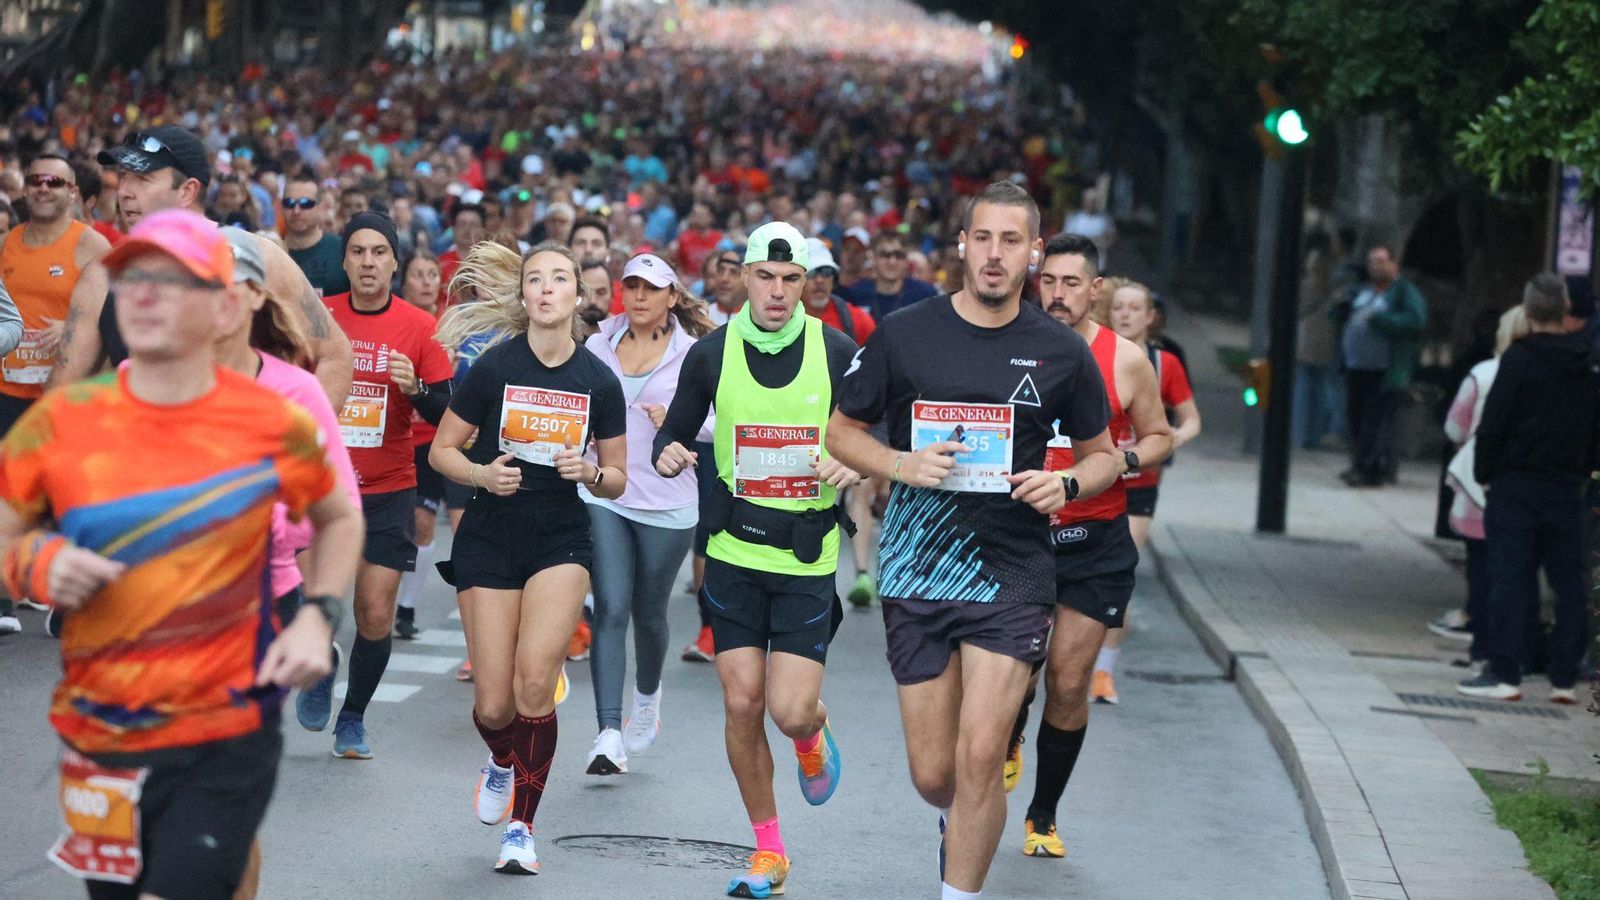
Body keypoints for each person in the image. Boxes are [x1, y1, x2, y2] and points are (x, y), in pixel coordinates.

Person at [0, 207, 361, 900]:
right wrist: (38, 566)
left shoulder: (273, 417)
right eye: (132, 278)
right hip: (102, 728)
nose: (141, 296)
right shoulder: (66, 419)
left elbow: (339, 516)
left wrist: (317, 616)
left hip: (224, 724)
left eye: (170, 281)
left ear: (226, 304)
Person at [827, 183, 1119, 899]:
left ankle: (961, 888)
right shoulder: (905, 333)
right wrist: (901, 465)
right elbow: (839, 432)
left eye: (1011, 241)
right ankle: (958, 820)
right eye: (982, 238)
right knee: (937, 776)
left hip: (1013, 572)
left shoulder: (1061, 352)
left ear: (1034, 252)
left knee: (983, 754)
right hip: (918, 570)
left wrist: (1069, 485)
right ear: (962, 245)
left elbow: (1104, 453)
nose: (994, 255)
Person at [654, 222, 862, 898]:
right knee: (742, 702)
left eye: (790, 279)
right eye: (765, 278)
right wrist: (669, 452)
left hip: (806, 559)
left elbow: (878, 428)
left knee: (790, 710)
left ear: (807, 284)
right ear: (743, 278)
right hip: (733, 553)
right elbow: (674, 430)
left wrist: (850, 456)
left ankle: (812, 735)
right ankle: (768, 850)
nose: (777, 291)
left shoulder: (835, 352)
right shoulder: (711, 355)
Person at [430, 241, 628, 874]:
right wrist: (483, 476)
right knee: (493, 706)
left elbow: (619, 477)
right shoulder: (494, 367)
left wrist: (591, 471)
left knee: (534, 682)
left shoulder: (598, 380)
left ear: (578, 296)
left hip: (560, 538)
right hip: (490, 535)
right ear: (523, 296)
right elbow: (441, 453)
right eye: (535, 279)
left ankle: (521, 825)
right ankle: (498, 757)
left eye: (560, 279)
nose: (546, 289)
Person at [1010, 233, 1173, 858]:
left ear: (1094, 290)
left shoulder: (1127, 359)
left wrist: (1123, 457)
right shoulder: (1011, 347)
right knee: (1017, 677)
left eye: (1071, 283)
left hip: (1094, 541)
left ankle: (1043, 815)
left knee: (1070, 681)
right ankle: (1009, 735)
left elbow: (1159, 436)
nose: (1057, 294)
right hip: (1019, 537)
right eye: (1048, 281)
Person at [51, 127, 354, 407]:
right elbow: (60, 398)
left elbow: (335, 356)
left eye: (142, 179)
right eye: (124, 177)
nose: (125, 191)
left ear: (187, 191)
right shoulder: (102, 274)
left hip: (239, 454)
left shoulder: (253, 257)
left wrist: (291, 452)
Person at [307, 212, 453, 758]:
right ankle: (320, 666)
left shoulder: (420, 327)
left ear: (394, 263)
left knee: (373, 612)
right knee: (314, 602)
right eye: (359, 252)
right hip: (321, 487)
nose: (368, 263)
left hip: (389, 488)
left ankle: (353, 717)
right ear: (344, 260)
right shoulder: (318, 318)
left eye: (379, 253)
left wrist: (414, 389)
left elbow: (448, 410)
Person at [581, 253, 717, 775]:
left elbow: (719, 421)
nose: (638, 296)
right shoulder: (598, 343)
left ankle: (647, 699)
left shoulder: (695, 353)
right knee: (611, 605)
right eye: (631, 286)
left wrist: (679, 425)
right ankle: (608, 733)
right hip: (604, 491)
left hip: (668, 501)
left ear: (672, 297)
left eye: (650, 288)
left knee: (649, 612)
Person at [1459, 274, 1599, 704]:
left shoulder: (1519, 359)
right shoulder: (1588, 362)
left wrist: (1484, 473)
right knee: (1569, 582)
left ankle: (1505, 671)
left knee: (1511, 576)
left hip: (1516, 483)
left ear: (1529, 310)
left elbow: (1495, 423)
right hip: (1566, 486)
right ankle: (1563, 676)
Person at [1097, 280, 1201, 703]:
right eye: (1118, 307)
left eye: (1134, 308)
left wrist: (1168, 440)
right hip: (1092, 480)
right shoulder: (1093, 352)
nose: (1125, 314)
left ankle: (1103, 671)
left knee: (1118, 575)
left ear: (1149, 317)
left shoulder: (1165, 364)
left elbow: (1192, 419)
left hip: (1139, 485)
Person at [1436, 306, 1529, 662]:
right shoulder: (1552, 376)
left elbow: (1454, 428)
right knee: (1515, 569)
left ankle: (1483, 644)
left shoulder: (1484, 374)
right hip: (1525, 489)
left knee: (1480, 566)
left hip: (1480, 487)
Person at [800, 238, 881, 611]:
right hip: (799, 430)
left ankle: (863, 573)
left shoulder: (854, 319)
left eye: (827, 274)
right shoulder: (782, 315)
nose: (820, 282)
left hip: (847, 425)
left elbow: (881, 367)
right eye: (813, 273)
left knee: (858, 493)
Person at [0, 154, 105, 434]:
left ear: (72, 193)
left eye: (54, 182)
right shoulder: (4, 244)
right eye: (36, 181)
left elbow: (112, 321)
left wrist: (75, 327)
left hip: (63, 395)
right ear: (25, 190)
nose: (43, 188)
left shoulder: (92, 246)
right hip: (5, 394)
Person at [1337, 245, 1427, 487]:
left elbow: (1415, 321)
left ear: (1394, 264)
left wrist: (1381, 321)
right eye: (1372, 262)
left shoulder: (1404, 292)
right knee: (1356, 417)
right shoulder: (1364, 291)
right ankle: (1361, 463)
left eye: (1381, 261)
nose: (1375, 266)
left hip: (1385, 369)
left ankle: (1369, 468)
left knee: (1374, 421)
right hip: (1357, 367)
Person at [395, 248, 446, 640]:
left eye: (433, 274)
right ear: (404, 280)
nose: (427, 281)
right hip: (392, 436)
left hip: (433, 440)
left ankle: (406, 608)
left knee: (423, 524)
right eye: (418, 274)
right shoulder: (392, 319)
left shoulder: (451, 325)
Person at [842, 229, 939, 321]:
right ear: (873, 258)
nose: (892, 261)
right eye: (885, 255)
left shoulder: (924, 295)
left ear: (906, 260)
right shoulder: (855, 294)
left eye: (898, 255)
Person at [283, 173, 351, 298]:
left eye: (306, 204)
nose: (296, 211)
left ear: (321, 207)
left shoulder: (344, 250)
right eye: (289, 203)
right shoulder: (270, 252)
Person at [705, 249, 747, 326]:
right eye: (721, 270)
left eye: (734, 272)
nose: (724, 278)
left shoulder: (762, 319)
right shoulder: (700, 316)